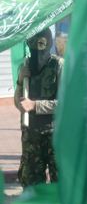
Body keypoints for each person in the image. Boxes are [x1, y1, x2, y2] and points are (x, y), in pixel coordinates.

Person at [14, 28, 63, 187]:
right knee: (31, 185)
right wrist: (20, 80)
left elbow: (66, 103)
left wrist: (35, 105)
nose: (37, 52)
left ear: (48, 44)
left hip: (55, 135)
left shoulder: (58, 66)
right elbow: (18, 103)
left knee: (62, 183)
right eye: (33, 45)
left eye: (41, 45)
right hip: (31, 136)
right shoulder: (25, 66)